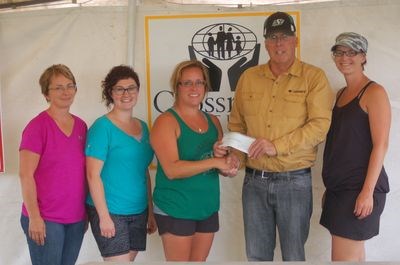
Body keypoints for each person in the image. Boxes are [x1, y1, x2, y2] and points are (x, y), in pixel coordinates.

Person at [227, 11, 334, 261]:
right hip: (254, 183)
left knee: (293, 257)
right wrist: (235, 158)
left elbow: (320, 125)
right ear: (265, 43)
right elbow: (236, 123)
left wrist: (277, 146)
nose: (279, 43)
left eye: (285, 36)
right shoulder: (248, 77)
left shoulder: (314, 77)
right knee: (256, 256)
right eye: (273, 37)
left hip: (294, 182)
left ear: (295, 40)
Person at [150, 60, 239, 261]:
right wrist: (215, 163)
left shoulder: (213, 121)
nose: (194, 88)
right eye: (187, 83)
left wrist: (229, 165)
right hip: (176, 207)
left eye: (199, 82)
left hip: (206, 207)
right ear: (176, 87)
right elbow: (172, 170)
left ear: (206, 87)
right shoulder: (166, 121)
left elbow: (221, 163)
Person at [320, 32, 391, 261]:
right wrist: (330, 189)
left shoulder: (374, 92)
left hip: (359, 190)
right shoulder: (340, 94)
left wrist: (367, 193)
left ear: (363, 56)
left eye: (352, 52)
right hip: (339, 190)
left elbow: (381, 145)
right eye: (339, 52)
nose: (344, 57)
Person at [85, 65, 156, 262]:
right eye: (119, 88)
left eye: (131, 88)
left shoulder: (143, 127)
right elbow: (92, 175)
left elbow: (143, 172)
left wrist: (150, 211)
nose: (126, 93)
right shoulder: (102, 127)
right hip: (111, 211)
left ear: (138, 91)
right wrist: (104, 217)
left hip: (138, 210)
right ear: (110, 92)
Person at [19, 64, 87, 265]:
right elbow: (25, 175)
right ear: (46, 94)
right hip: (46, 218)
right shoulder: (37, 127)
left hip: (75, 217)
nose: (65, 92)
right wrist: (34, 217)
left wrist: (84, 213)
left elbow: (80, 173)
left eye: (70, 85)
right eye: (58, 87)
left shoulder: (81, 126)